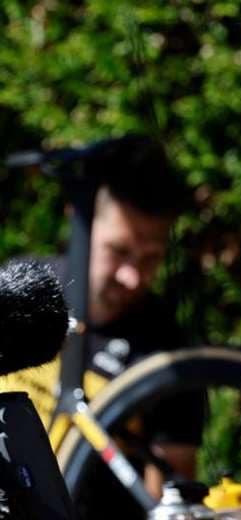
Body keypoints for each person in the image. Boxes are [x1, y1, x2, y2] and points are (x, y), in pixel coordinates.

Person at [2, 135, 203, 518]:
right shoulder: (22, 289)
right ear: (77, 220)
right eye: (119, 251)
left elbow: (171, 498)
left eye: (150, 259)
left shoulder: (167, 349)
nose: (132, 276)